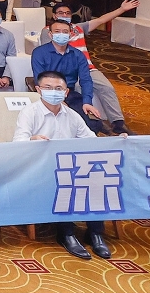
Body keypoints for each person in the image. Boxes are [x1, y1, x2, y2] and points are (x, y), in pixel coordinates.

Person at [13, 70, 112, 260]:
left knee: (97, 178)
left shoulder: (72, 115)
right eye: (48, 88)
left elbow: (92, 141)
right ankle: (66, 233)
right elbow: (17, 143)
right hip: (40, 169)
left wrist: (117, 142)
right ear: (38, 90)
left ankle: (95, 233)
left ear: (66, 92)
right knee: (64, 180)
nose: (53, 92)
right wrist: (33, 139)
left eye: (58, 89)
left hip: (71, 167)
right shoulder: (29, 113)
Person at [38, 0, 138, 135]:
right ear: (54, 16)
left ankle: (118, 122)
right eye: (61, 13)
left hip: (88, 68)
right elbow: (48, 52)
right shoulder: (48, 31)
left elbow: (102, 20)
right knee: (80, 88)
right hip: (68, 71)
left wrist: (122, 9)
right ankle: (93, 123)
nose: (64, 15)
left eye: (67, 13)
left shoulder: (79, 28)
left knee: (107, 87)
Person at [31, 19, 102, 134]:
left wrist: (87, 102)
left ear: (70, 34)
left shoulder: (78, 55)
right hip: (47, 93)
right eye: (57, 31)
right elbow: (39, 78)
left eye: (65, 32)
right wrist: (58, 102)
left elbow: (86, 80)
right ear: (50, 34)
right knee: (56, 122)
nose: (61, 34)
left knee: (93, 124)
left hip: (69, 93)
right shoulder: (39, 53)